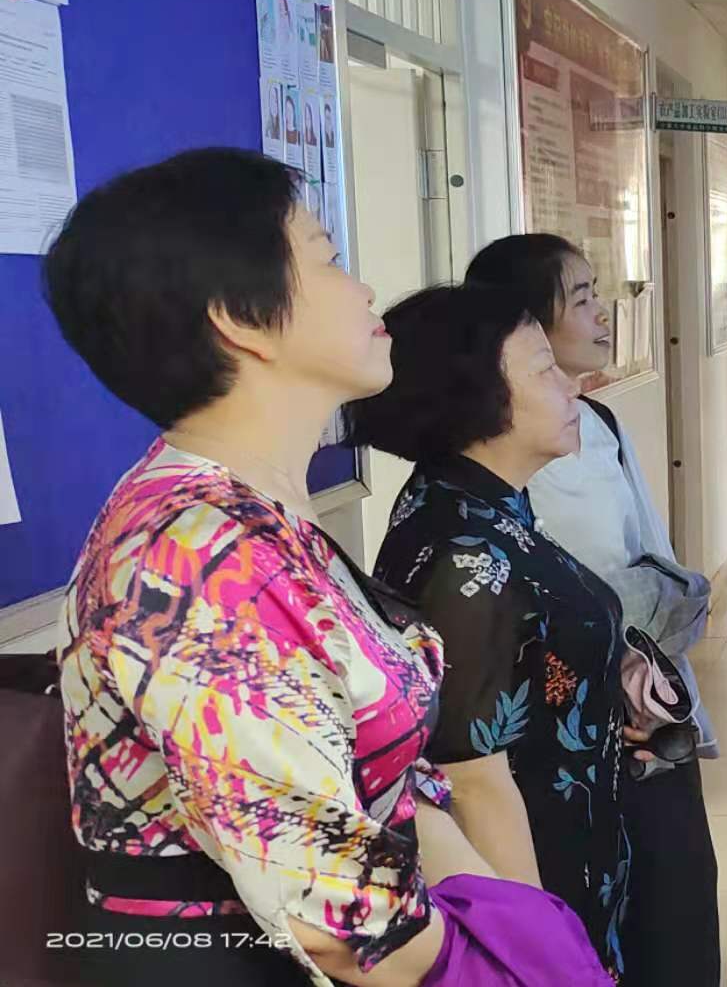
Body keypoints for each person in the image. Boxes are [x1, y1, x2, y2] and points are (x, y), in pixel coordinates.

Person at [42, 148, 540, 986]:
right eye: (329, 258)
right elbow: (339, 921)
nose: (365, 289)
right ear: (238, 318)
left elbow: (388, 782)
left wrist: (521, 933)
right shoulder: (196, 552)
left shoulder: (259, 512)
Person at [352, 285, 639, 980]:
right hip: (534, 882)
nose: (572, 384)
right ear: (476, 397)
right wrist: (540, 956)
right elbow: (470, 781)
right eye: (543, 368)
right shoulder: (464, 554)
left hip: (576, 854)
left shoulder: (485, 506)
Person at [464, 233, 721, 986]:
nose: (602, 311)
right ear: (523, 329)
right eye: (580, 297)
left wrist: (657, 626)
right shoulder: (496, 470)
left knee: (680, 921)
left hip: (652, 720)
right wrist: (633, 612)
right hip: (577, 746)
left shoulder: (600, 424)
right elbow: (556, 617)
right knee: (617, 936)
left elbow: (662, 574)